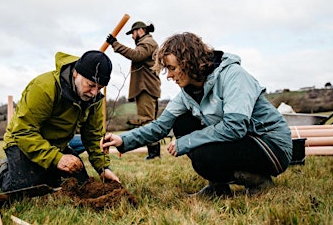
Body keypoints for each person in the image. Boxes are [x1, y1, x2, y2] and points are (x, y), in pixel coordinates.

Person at [101, 32, 292, 197]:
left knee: (204, 154)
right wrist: (124, 140)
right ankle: (218, 187)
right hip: (241, 142)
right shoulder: (187, 93)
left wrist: (188, 141)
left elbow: (234, 127)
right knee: (182, 122)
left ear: (190, 63)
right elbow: (160, 126)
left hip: (270, 146)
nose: (168, 76)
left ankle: (258, 181)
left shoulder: (233, 75)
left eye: (172, 68)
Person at [0, 50, 120, 192]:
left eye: (100, 88)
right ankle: (4, 172)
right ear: (76, 73)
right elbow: (23, 131)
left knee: (79, 185)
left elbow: (93, 135)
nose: (94, 92)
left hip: (58, 146)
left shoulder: (94, 98)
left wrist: (103, 168)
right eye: (90, 85)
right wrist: (57, 158)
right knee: (25, 190)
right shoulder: (43, 88)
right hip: (22, 142)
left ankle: (48, 172)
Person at [105, 21, 161, 160]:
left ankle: (154, 154)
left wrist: (115, 44)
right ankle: (153, 152)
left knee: (147, 121)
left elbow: (136, 55)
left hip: (146, 88)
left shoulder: (148, 42)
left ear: (140, 30)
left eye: (133, 33)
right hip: (146, 87)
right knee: (148, 121)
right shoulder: (147, 42)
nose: (132, 37)